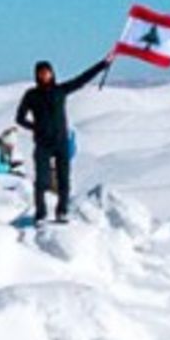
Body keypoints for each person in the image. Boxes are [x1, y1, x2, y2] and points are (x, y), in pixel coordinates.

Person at [15, 55, 112, 222]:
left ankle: (62, 212)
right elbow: (19, 118)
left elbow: (81, 80)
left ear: (52, 74)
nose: (45, 76)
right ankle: (41, 213)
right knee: (42, 181)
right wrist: (35, 127)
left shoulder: (60, 91)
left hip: (61, 143)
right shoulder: (31, 95)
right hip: (43, 144)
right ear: (37, 75)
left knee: (64, 181)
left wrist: (103, 64)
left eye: (47, 73)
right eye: (41, 73)